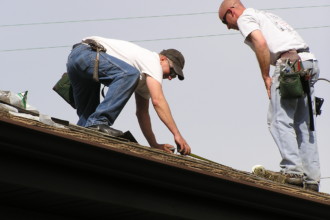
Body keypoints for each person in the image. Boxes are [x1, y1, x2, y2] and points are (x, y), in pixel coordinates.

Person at [218, 0, 321, 191]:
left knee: (277, 120)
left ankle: (293, 171)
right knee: (304, 124)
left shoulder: (245, 18)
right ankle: (312, 179)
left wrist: (265, 75)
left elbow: (261, 42)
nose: (228, 27)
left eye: (225, 21)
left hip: (289, 65)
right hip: (309, 62)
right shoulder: (266, 15)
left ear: (231, 12)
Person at [66, 36, 191, 155]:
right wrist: (177, 134)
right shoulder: (153, 61)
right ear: (163, 59)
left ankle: (77, 145)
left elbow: (142, 113)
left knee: (87, 126)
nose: (170, 77)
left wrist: (154, 144)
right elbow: (158, 100)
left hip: (75, 60)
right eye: (172, 71)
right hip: (88, 53)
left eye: (173, 76)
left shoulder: (145, 78)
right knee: (129, 74)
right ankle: (99, 121)